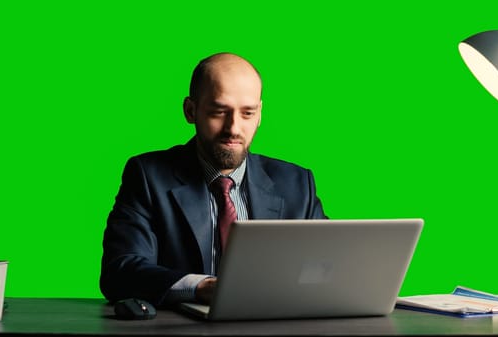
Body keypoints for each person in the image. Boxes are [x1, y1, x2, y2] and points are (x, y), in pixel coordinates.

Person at [99, 52, 327, 308]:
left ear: (260, 114)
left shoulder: (297, 183)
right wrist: (201, 287)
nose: (233, 128)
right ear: (190, 110)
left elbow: (330, 266)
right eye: (219, 112)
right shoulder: (148, 176)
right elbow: (120, 271)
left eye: (247, 113)